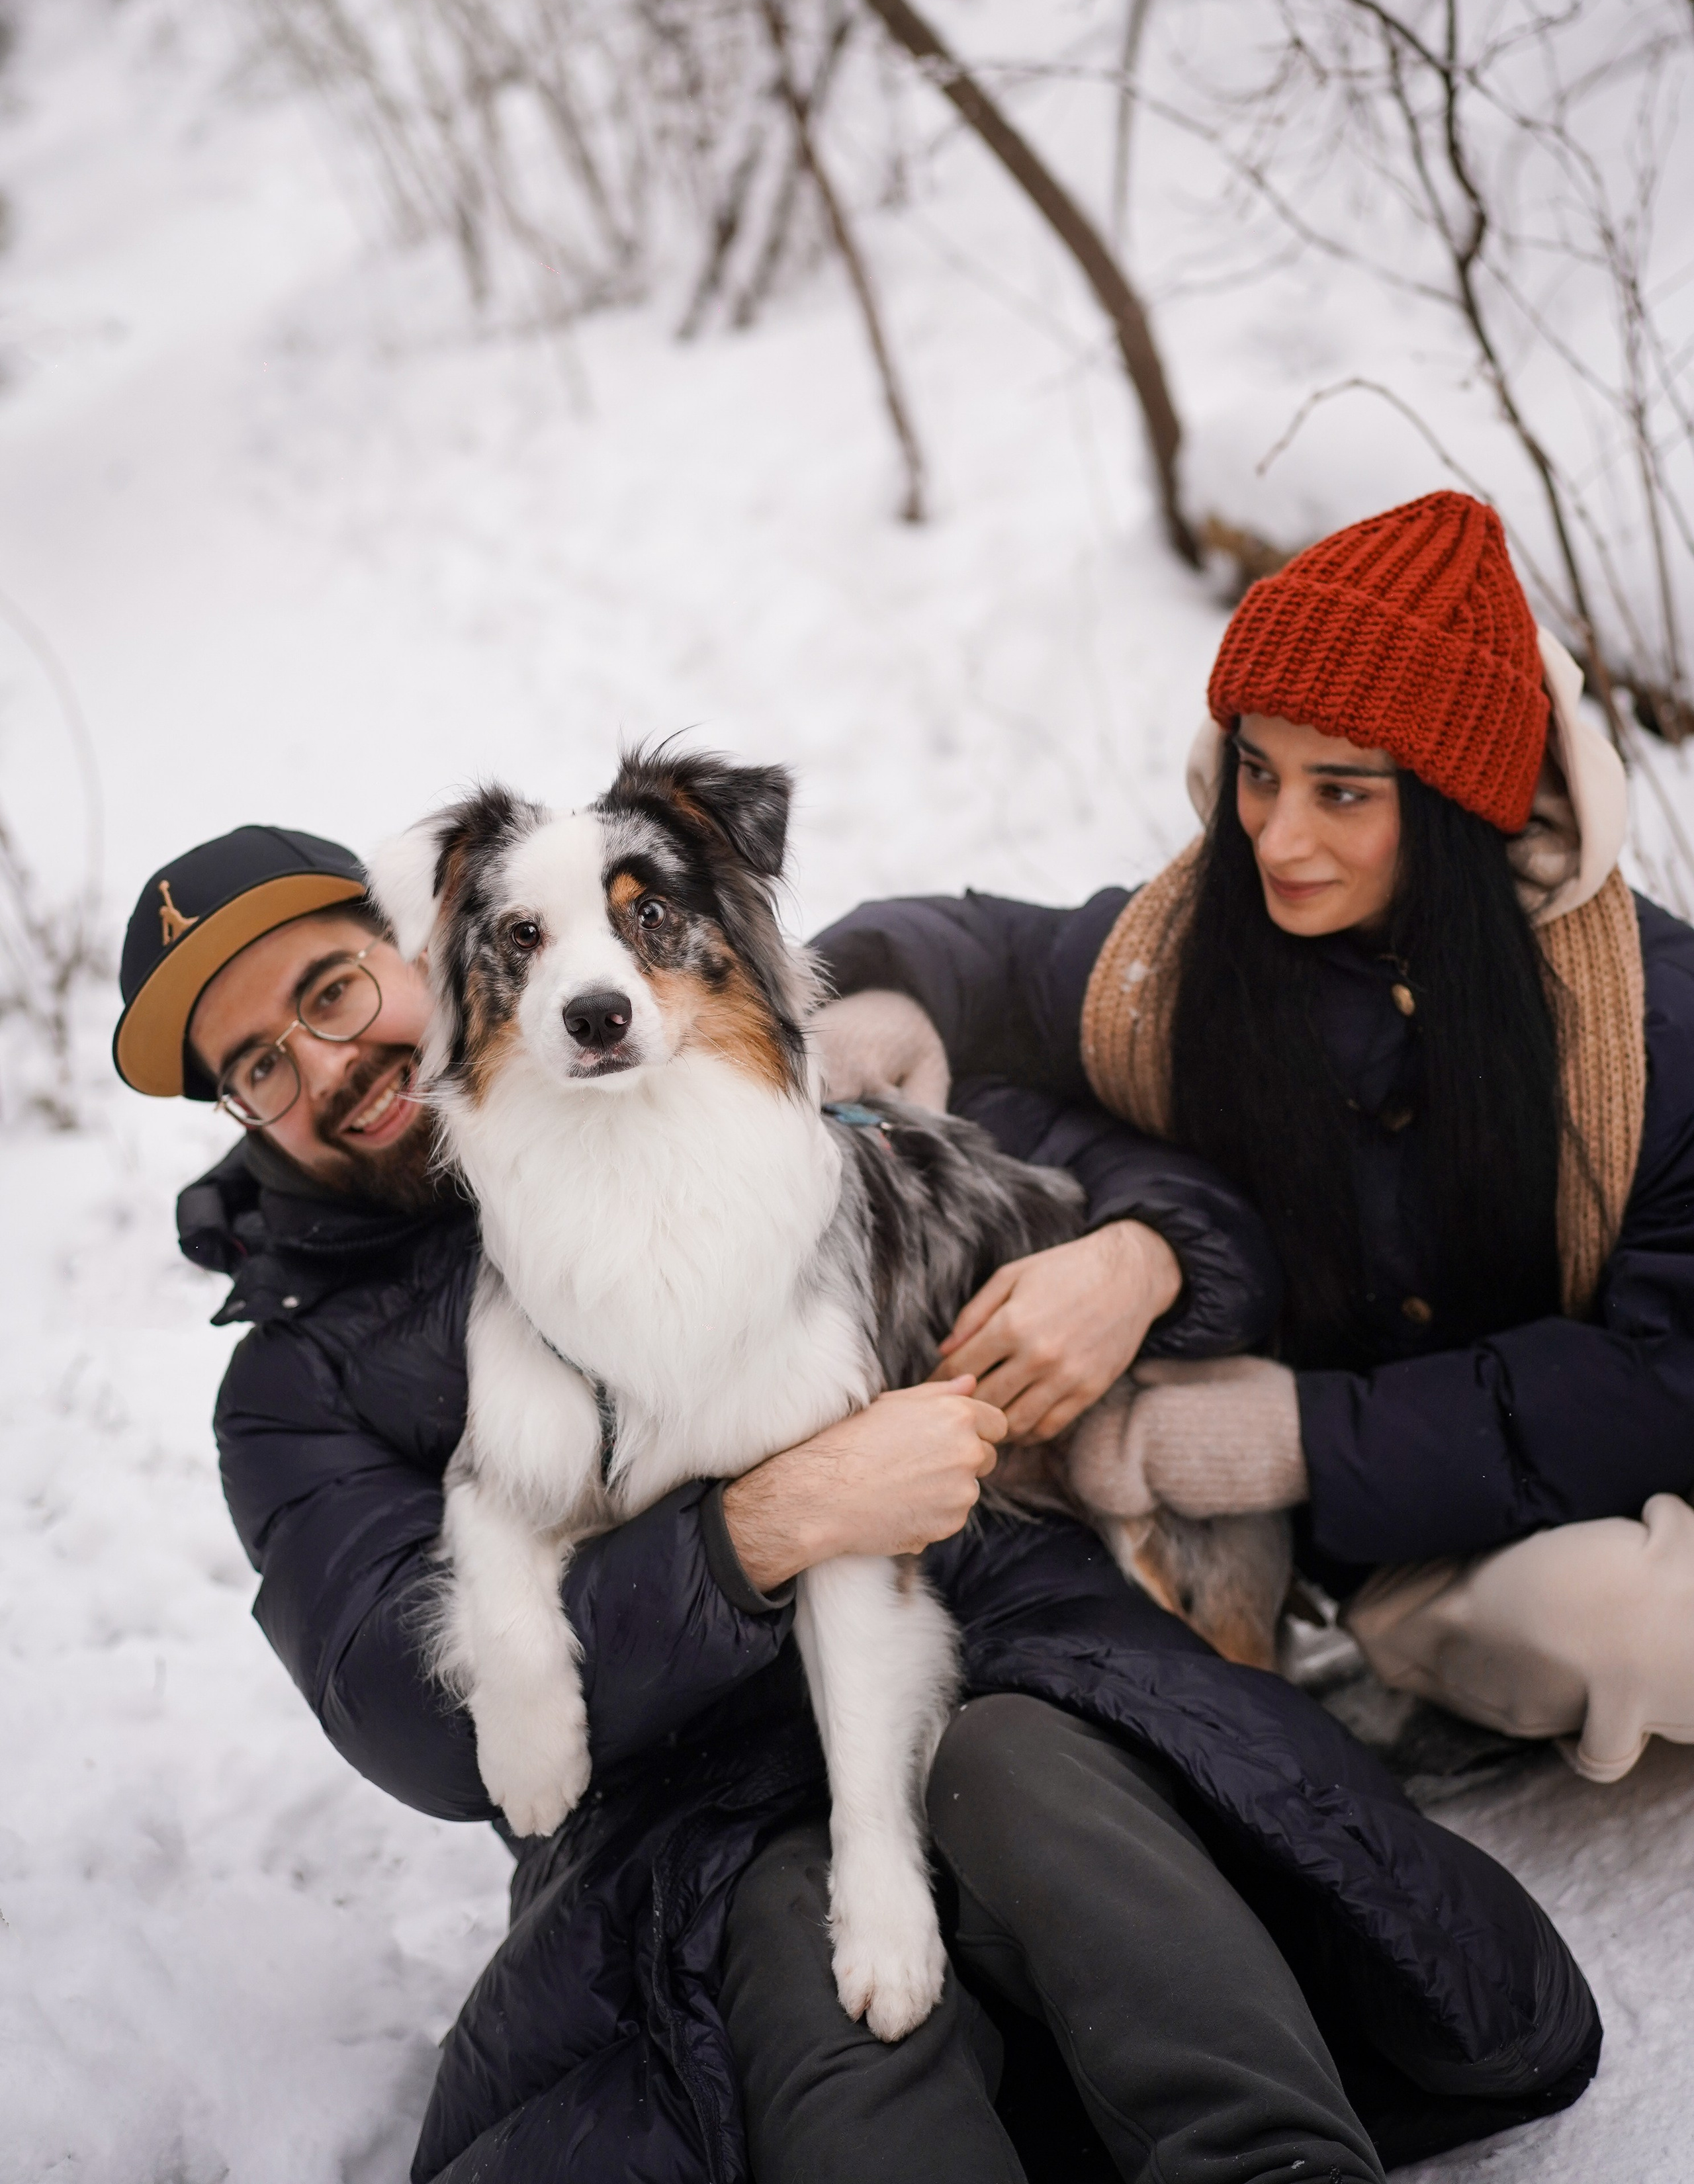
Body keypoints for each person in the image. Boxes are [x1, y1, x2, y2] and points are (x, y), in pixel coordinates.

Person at [112, 807, 1599, 2184]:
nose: (319, 1068)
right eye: (255, 1067)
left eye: (328, 993)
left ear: (419, 947)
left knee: (1034, 1772)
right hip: (675, 1800)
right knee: (769, 1930)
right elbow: (409, 1708)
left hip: (1005, 1644)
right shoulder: (291, 1394)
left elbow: (1117, 1182)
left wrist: (1132, 1262)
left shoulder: (747, 1077)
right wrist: (769, 1524)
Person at [815, 486, 1694, 1790]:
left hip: (1610, 1482)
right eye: (1257, 772)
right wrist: (872, 1001)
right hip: (1406, 1554)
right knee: (1601, 1620)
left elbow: (1664, 1383)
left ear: (1460, 808)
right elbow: (986, 954)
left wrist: (1286, 1437)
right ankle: (1399, 1672)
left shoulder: (1648, 1026)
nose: (1277, 838)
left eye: (1342, 793)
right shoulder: (1188, 958)